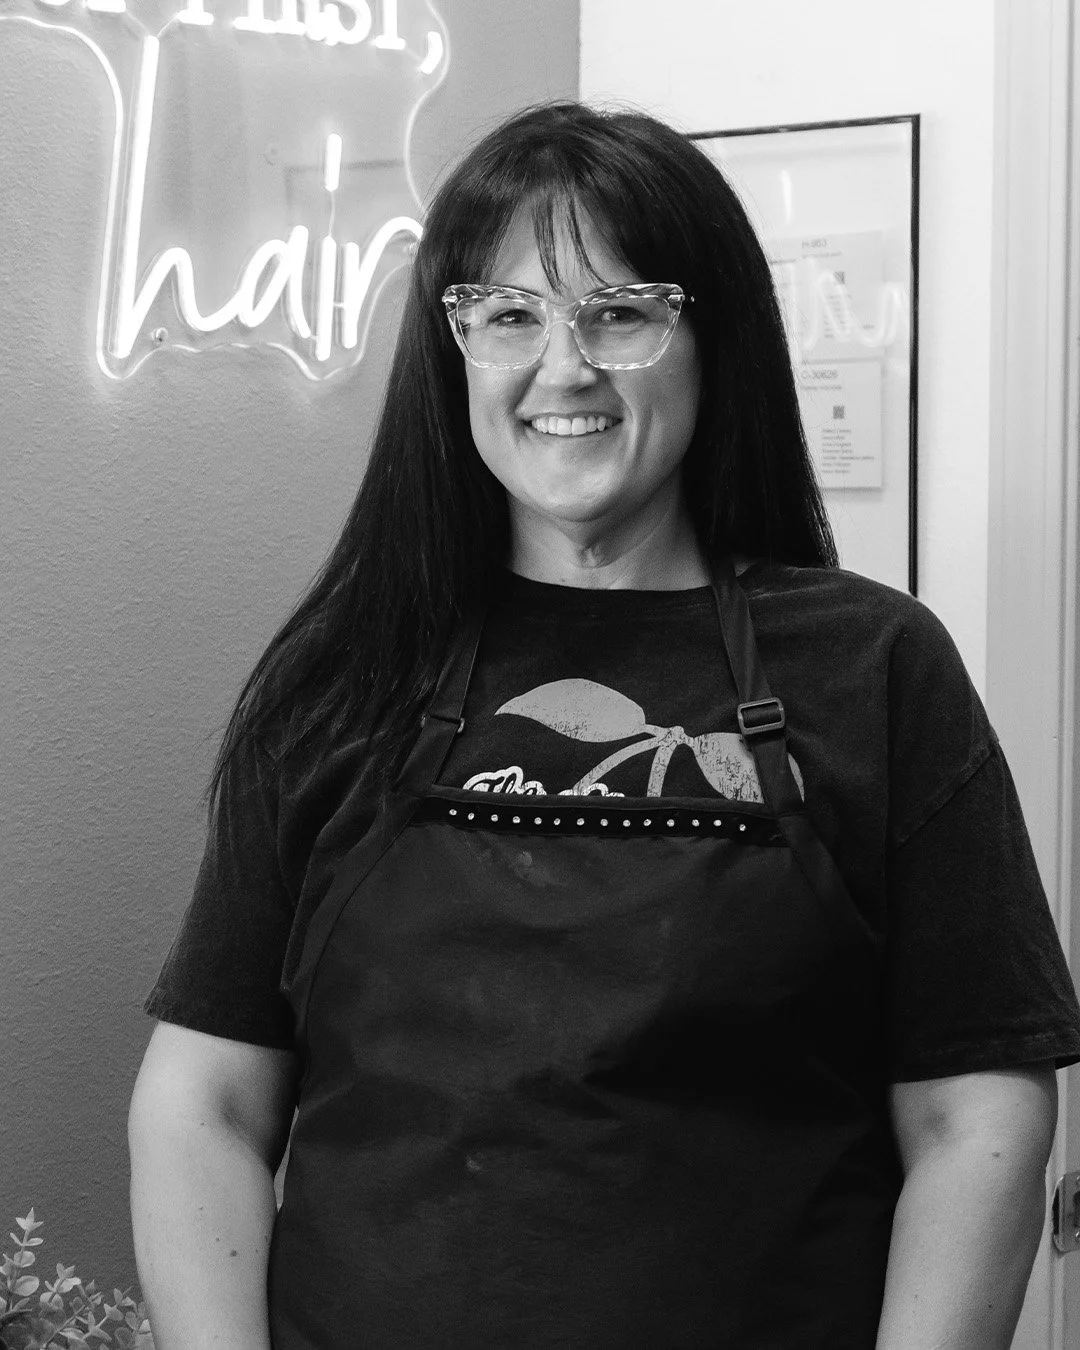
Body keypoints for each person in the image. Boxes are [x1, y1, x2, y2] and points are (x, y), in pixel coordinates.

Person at [127, 101, 1080, 1349]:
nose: (561, 367)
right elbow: (202, 1103)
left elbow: (978, 1118)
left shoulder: (875, 666)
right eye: (509, 314)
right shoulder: (339, 678)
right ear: (453, 348)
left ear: (710, 343)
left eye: (619, 313)